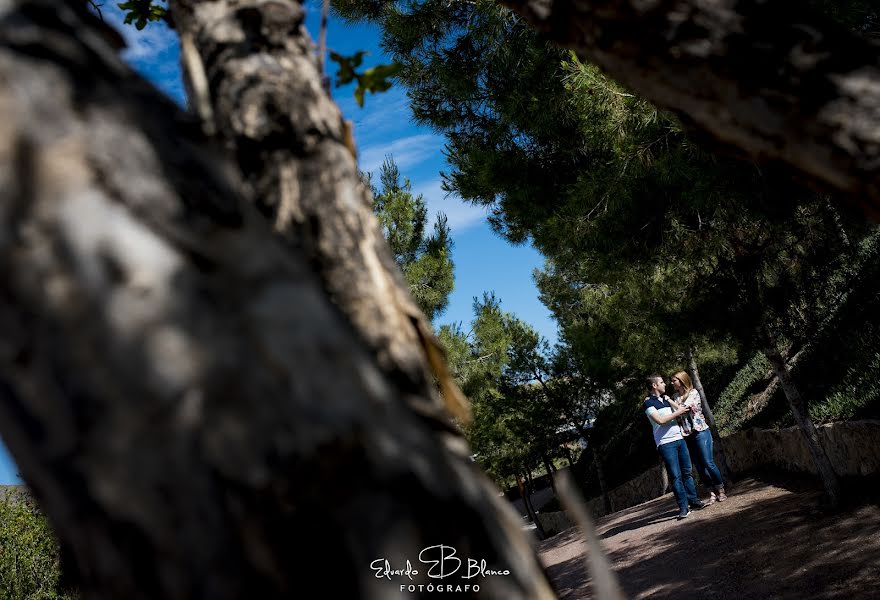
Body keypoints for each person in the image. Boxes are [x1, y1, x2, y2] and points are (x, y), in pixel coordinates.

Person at [643, 374, 705, 520]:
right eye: (662, 382)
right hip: (665, 443)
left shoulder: (666, 399)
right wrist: (677, 412)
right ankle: (683, 508)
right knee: (676, 476)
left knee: (687, 472)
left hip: (679, 439)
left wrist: (670, 401)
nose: (665, 384)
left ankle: (694, 501)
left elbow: (683, 409)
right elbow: (661, 420)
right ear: (654, 386)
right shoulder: (648, 403)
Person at [670, 371, 727, 504]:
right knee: (699, 466)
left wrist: (669, 402)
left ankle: (721, 489)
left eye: (674, 380)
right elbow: (675, 415)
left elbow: (684, 408)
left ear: (682, 380)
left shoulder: (693, 393)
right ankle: (711, 492)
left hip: (700, 431)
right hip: (687, 435)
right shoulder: (675, 397)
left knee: (708, 462)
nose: (672, 383)